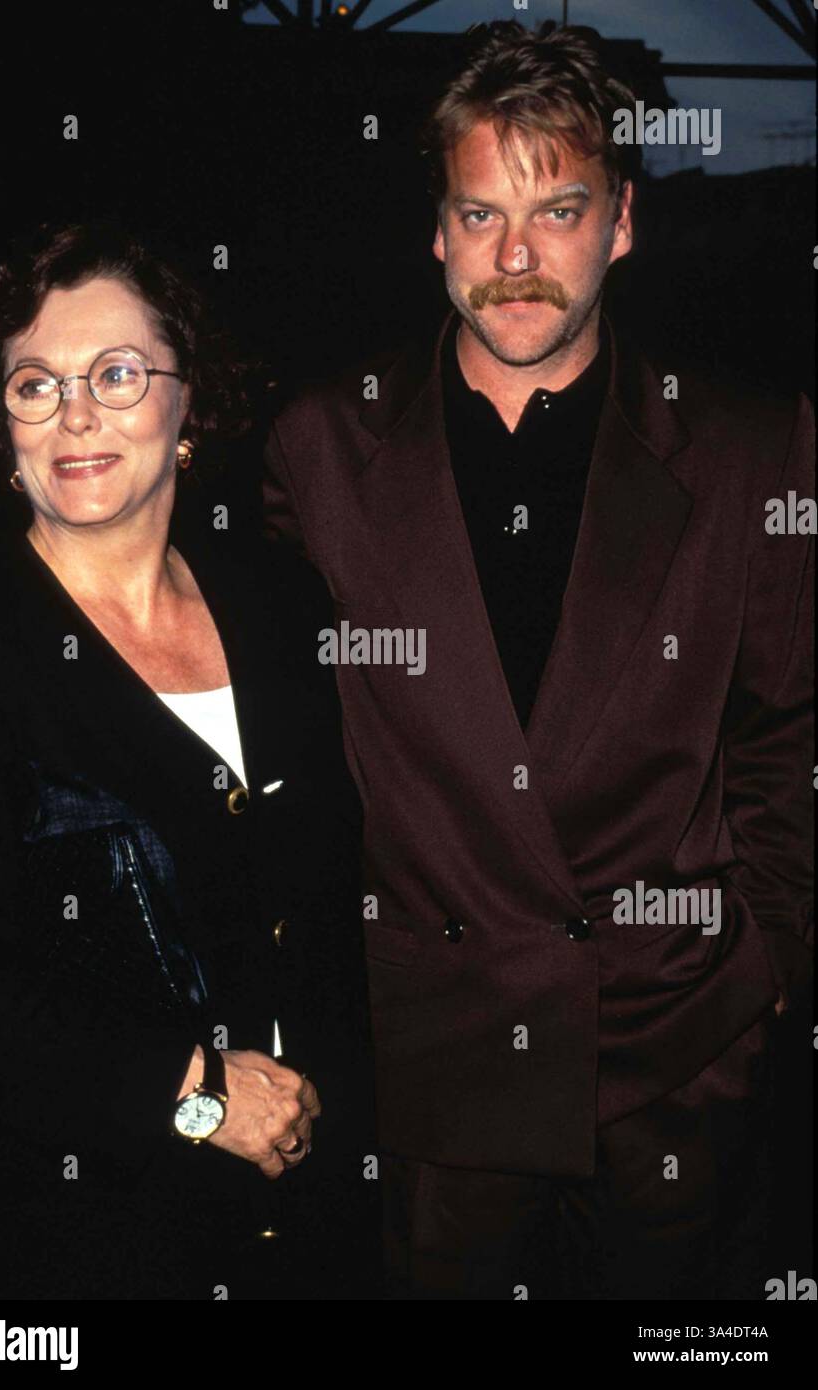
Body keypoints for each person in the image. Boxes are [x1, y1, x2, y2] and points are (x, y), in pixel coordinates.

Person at [262, 22, 813, 1300]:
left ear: (621, 224)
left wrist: (769, 960)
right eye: (481, 212)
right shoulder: (320, 446)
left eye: (558, 210)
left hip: (676, 1049)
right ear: (439, 233)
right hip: (439, 1068)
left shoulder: (747, 443)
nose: (518, 257)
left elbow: (789, 726)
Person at [0, 221, 379, 1300]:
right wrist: (195, 1092)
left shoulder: (282, 603)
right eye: (34, 383)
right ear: (3, 425)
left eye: (117, 374)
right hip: (78, 1237)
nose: (75, 412)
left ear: (189, 402)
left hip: (313, 1222)